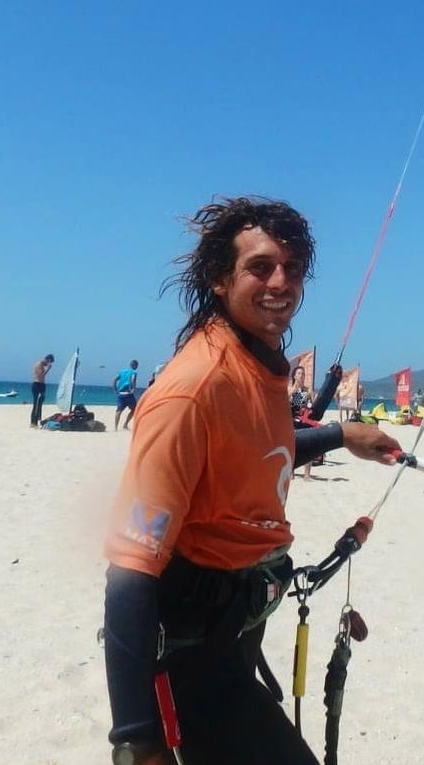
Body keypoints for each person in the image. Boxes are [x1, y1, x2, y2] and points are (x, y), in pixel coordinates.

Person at [102, 197, 402, 765]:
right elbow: (129, 576)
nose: (280, 281)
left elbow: (260, 449)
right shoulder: (194, 390)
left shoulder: (256, 363)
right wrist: (137, 742)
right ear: (220, 277)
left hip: (238, 635)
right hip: (193, 661)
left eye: (292, 268)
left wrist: (341, 435)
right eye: (260, 266)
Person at [114, 359, 141, 431]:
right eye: (137, 365)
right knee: (134, 410)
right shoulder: (134, 372)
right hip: (128, 394)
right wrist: (133, 388)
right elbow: (132, 380)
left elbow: (115, 380)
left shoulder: (122, 372)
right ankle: (125, 424)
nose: (137, 367)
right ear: (134, 365)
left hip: (120, 393)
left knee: (119, 410)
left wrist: (115, 389)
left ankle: (115, 427)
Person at [29, 353, 54, 428]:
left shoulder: (43, 365)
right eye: (50, 362)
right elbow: (41, 375)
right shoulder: (39, 364)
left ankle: (37, 419)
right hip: (37, 385)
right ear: (48, 360)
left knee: (40, 403)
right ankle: (33, 423)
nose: (49, 364)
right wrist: (48, 369)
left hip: (42, 385)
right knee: (36, 404)